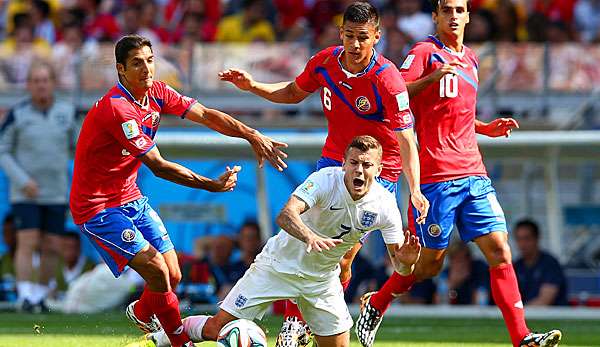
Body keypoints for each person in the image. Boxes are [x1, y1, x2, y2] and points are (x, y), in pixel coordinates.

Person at [218, 2, 429, 344]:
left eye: (363, 37)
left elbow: (407, 139)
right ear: (340, 33)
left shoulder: (387, 79)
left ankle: (321, 320)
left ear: (377, 37)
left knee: (343, 257)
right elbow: (292, 92)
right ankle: (294, 323)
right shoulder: (326, 61)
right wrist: (254, 86)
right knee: (308, 239)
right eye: (349, 35)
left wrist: (414, 188)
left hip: (378, 169)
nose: (355, 44)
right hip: (334, 161)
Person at [354, 1, 562, 347]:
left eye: (459, 9)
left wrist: (486, 128)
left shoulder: (472, 59)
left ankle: (522, 338)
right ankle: (378, 302)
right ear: (435, 16)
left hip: (473, 171)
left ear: (467, 16)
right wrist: (432, 77)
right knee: (428, 267)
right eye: (446, 9)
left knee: (500, 250)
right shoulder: (424, 51)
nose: (453, 15)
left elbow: (457, 114)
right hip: (436, 177)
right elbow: (395, 93)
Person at [69, 35, 287, 347]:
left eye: (149, 60)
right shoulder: (118, 110)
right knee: (156, 269)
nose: (146, 68)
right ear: (121, 70)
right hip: (97, 207)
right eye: (136, 63)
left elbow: (207, 115)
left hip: (129, 197)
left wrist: (250, 134)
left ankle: (144, 313)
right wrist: (210, 185)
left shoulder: (156, 92)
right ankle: (178, 341)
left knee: (172, 275)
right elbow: (158, 166)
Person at [136, 135, 422, 347]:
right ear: (344, 163)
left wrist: (407, 264)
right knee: (215, 329)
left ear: (379, 168)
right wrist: (309, 235)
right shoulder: (324, 179)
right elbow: (285, 215)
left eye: (367, 165)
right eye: (354, 163)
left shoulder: (385, 205)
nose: (359, 171)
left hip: (322, 280)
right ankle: (161, 338)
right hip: (276, 265)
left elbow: (400, 265)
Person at [0, 62, 77, 313]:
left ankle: (41, 297)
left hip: (56, 192)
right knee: (28, 242)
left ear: (52, 83)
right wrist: (23, 181)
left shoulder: (68, 113)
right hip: (25, 193)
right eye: (36, 80)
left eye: (45, 80)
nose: (41, 85)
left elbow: (80, 149)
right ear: (29, 85)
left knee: (53, 245)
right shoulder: (17, 114)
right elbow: (3, 151)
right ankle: (25, 296)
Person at [513, 219, 568, 306]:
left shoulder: (550, 264)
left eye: (527, 238)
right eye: (519, 239)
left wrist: (517, 313)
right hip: (525, 316)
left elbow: (544, 301)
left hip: (552, 318)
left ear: (537, 238)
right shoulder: (516, 265)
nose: (522, 244)